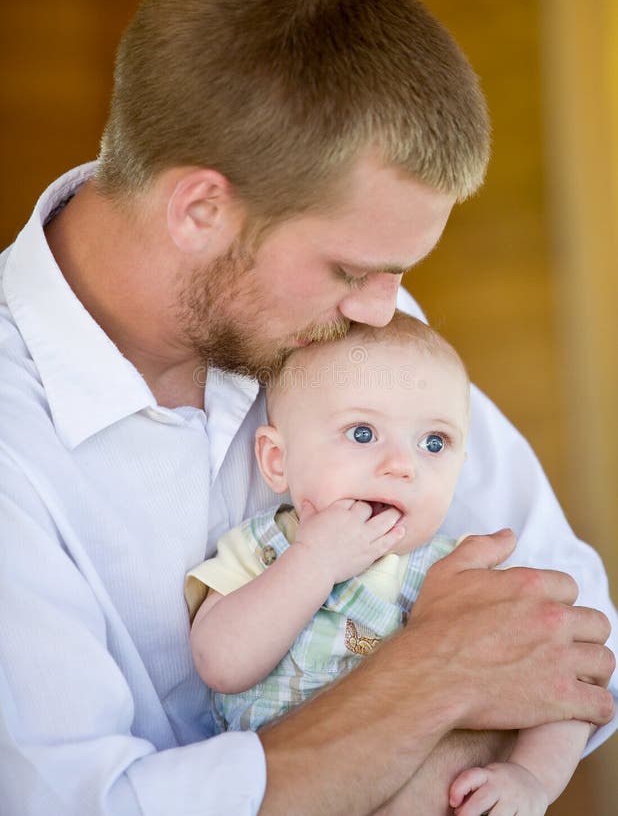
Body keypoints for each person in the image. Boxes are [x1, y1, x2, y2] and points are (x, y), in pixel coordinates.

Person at [0, 0, 615, 816]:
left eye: (398, 272)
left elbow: (570, 629)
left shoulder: (344, 323)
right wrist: (430, 680)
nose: (384, 310)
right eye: (352, 268)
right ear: (202, 209)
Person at [187, 312, 593, 815]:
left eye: (434, 443)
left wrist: (532, 778)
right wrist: (313, 561)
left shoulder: (461, 572)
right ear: (277, 461)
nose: (403, 465)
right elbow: (219, 664)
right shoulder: (266, 548)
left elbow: (566, 684)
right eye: (362, 433)